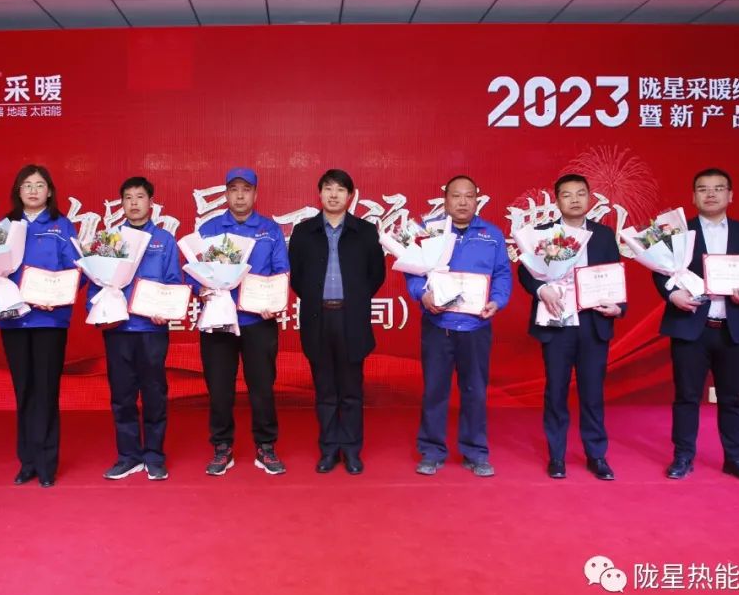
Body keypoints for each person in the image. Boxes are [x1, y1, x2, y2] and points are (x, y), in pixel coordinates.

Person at [654, 168, 739, 484]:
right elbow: (659, 271)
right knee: (686, 396)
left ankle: (736, 459)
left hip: (734, 328)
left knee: (733, 398)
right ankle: (683, 457)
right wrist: (672, 294)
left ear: (730, 195)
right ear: (693, 197)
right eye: (703, 189)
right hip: (691, 327)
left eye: (718, 188)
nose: (711, 194)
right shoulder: (678, 232)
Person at [517, 173, 623, 481]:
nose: (574, 200)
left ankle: (596, 455)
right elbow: (524, 272)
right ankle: (557, 456)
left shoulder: (603, 235)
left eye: (580, 194)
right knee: (556, 391)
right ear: (557, 201)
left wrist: (619, 307)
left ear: (590, 198)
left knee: (592, 392)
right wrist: (541, 290)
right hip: (557, 321)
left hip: (593, 322)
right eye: (567, 194)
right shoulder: (542, 234)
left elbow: (614, 274)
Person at [404, 176, 511, 477]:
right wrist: (422, 295)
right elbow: (412, 272)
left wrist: (497, 301)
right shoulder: (429, 232)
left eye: (469, 196)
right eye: (456, 196)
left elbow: (502, 273)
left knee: (475, 392)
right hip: (438, 325)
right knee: (435, 391)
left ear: (477, 199)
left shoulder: (491, 235)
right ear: (445, 199)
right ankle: (431, 451)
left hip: (476, 326)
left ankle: (475, 452)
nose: (463, 202)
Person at [193, 168, 290, 476]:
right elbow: (192, 271)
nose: (239, 195)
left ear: (255, 194)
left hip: (257, 320)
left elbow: (281, 270)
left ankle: (266, 446)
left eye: (246, 190)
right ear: (226, 194)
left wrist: (274, 301)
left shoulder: (269, 230)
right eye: (233, 189)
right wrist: (201, 289)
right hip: (218, 320)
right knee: (219, 388)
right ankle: (222, 446)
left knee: (262, 387)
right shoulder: (208, 229)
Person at [289, 169, 385, 475]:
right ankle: (329, 449)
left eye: (340, 189)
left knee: (352, 391)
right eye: (328, 188)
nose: (334, 195)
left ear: (350, 196)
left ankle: (352, 450)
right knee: (325, 391)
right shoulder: (304, 232)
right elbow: (297, 278)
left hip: (350, 319)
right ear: (319, 194)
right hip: (318, 319)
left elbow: (376, 275)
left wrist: (354, 298)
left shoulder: (365, 232)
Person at [93, 177, 182, 482]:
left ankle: (154, 456)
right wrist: (101, 311)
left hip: (151, 331)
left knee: (155, 394)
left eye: (140, 197)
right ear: (121, 204)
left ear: (151, 203)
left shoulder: (164, 240)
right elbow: (96, 282)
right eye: (128, 197)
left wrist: (165, 310)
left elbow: (173, 282)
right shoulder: (110, 240)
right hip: (119, 329)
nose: (133, 203)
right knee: (122, 396)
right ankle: (128, 456)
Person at [0, 164, 79, 488]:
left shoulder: (61, 225)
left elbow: (78, 269)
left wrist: (56, 296)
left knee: (45, 390)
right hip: (14, 319)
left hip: (50, 318)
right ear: (18, 191)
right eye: (27, 185)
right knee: (24, 390)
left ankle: (46, 463)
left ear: (50, 191)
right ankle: (27, 461)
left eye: (39, 185)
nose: (33, 190)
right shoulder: (5, 225)